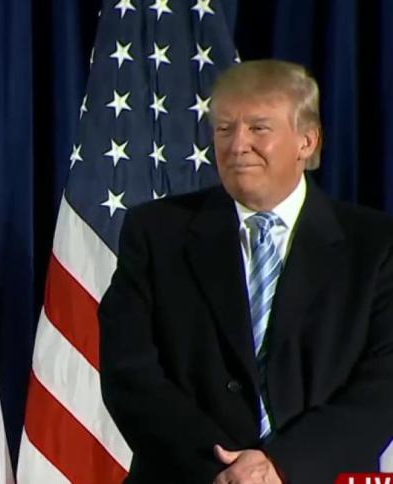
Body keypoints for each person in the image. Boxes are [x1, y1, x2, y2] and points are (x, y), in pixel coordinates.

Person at [98, 59, 393, 483]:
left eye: (258, 128)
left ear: (307, 140)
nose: (237, 145)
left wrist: (281, 466)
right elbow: (130, 372)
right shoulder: (156, 233)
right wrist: (224, 471)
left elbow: (383, 384)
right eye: (224, 128)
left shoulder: (376, 245)